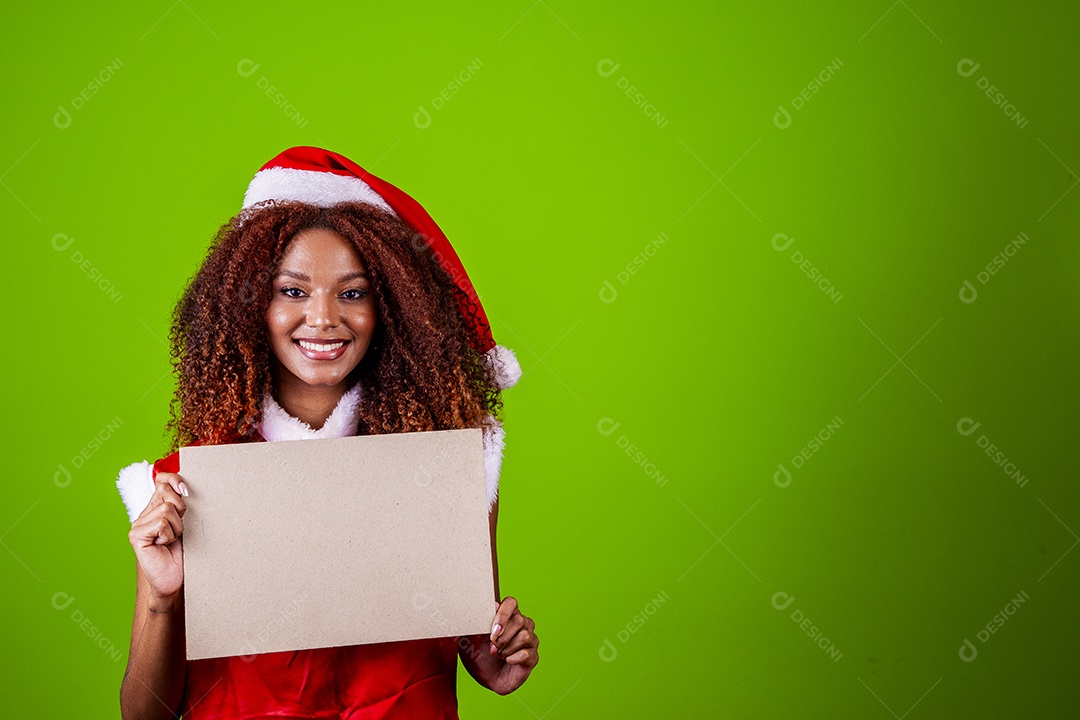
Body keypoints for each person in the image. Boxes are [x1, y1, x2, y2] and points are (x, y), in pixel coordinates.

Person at [115, 147, 539, 719]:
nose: (322, 318)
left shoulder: (442, 473)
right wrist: (164, 600)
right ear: (251, 306)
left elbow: (472, 646)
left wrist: (496, 656)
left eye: (353, 292)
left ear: (390, 307)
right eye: (292, 291)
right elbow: (144, 714)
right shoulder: (187, 486)